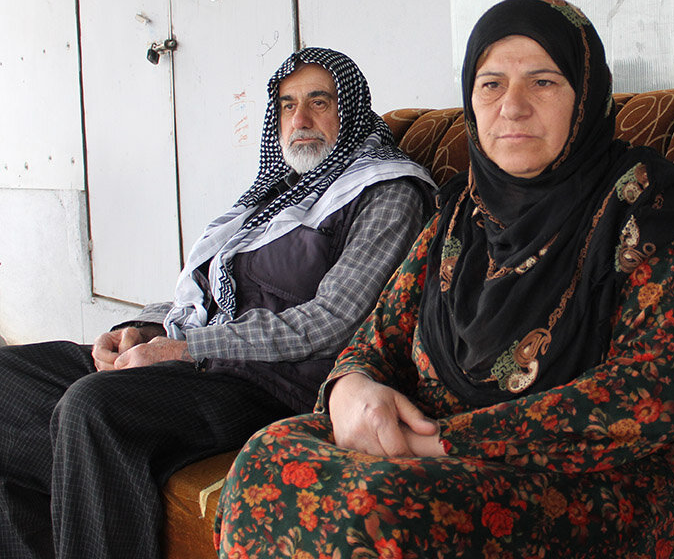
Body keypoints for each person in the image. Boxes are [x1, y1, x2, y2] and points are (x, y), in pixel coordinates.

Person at [214, 0, 674, 559]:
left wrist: (443, 443)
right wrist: (350, 389)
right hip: (437, 442)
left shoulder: (647, 209)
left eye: (544, 82)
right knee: (267, 455)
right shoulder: (460, 211)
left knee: (386, 511)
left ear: (586, 95)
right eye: (490, 85)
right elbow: (378, 335)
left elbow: (656, 394)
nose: (513, 107)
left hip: (605, 474)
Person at [0, 47, 435, 559]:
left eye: (320, 101)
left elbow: (333, 322)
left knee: (90, 409)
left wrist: (185, 347)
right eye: (287, 105)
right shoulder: (274, 196)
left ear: (352, 110)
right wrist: (143, 328)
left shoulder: (386, 191)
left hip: (269, 384)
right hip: (198, 356)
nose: (300, 118)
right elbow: (206, 292)